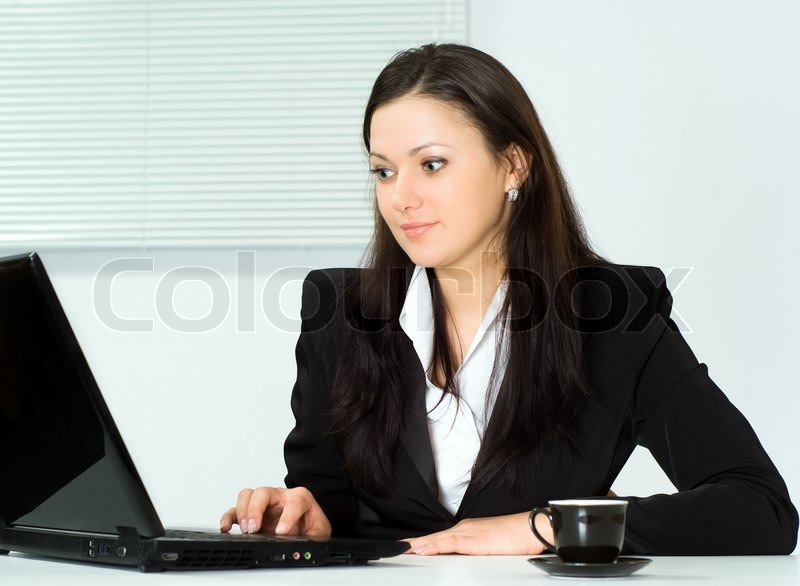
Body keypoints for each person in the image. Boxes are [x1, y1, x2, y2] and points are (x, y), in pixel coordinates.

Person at [219, 43, 798, 555]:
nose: (401, 197)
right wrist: (308, 516)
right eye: (383, 171)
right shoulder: (339, 310)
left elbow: (760, 510)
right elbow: (333, 504)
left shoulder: (613, 314)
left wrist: (542, 528)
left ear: (512, 164)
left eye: (432, 164)